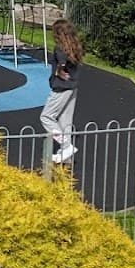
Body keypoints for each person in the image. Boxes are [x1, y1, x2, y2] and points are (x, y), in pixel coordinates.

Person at [40, 19, 84, 164]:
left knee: (46, 117)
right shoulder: (74, 47)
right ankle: (67, 157)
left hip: (61, 87)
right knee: (65, 120)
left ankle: (66, 146)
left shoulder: (60, 49)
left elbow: (61, 62)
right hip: (72, 87)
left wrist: (59, 71)